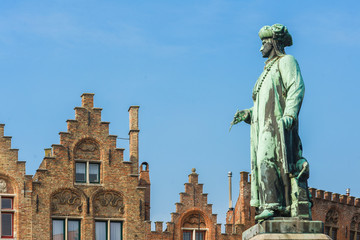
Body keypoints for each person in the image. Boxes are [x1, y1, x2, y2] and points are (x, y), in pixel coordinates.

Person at [231, 24, 310, 220]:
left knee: (269, 160)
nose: (260, 48)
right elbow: (263, 104)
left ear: (273, 43)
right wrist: (248, 114)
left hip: (277, 126)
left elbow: (296, 88)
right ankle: (270, 204)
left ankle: (275, 206)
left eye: (263, 43)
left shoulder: (287, 62)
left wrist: (290, 114)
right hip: (262, 128)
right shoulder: (266, 71)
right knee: (262, 163)